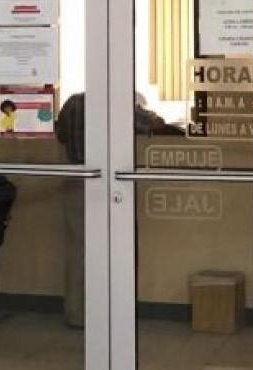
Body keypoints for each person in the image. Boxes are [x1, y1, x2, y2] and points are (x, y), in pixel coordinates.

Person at [54, 92, 180, 328]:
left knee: (78, 250)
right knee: (119, 248)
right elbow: (153, 125)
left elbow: (60, 135)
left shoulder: (72, 103)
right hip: (111, 184)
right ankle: (113, 313)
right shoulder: (116, 102)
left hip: (76, 180)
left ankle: (77, 314)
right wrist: (145, 112)